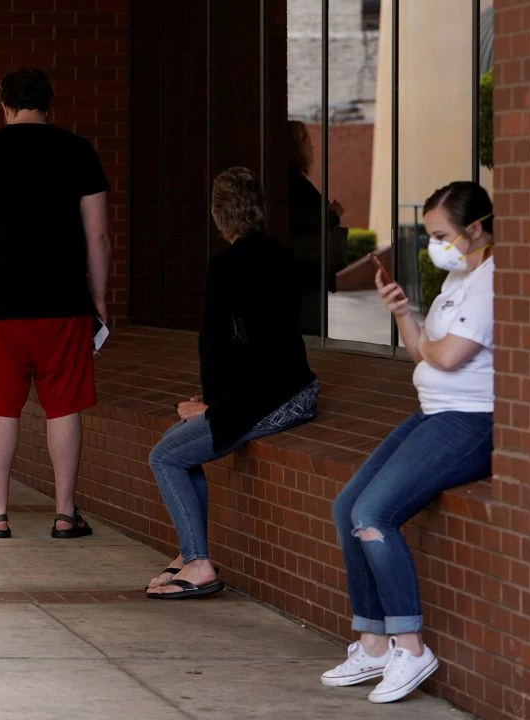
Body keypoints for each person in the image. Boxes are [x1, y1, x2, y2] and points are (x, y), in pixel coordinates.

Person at [321, 182, 494, 704]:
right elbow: (424, 350)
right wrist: (401, 312)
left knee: (373, 514)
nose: (434, 245)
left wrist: (435, 346)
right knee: (347, 506)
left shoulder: (493, 281)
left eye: (441, 235)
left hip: (470, 422)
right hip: (433, 413)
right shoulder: (458, 279)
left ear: (476, 229)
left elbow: (449, 357)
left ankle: (410, 646)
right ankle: (374, 642)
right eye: (430, 235)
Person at [0, 68, 109, 539]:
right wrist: (99, 297)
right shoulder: (78, 151)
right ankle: (65, 514)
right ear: (48, 105)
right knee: (64, 407)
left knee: (0, 407)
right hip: (64, 302)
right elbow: (97, 235)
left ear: (5, 104)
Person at [142, 167, 319, 597]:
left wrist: (213, 406)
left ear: (218, 214)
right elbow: (266, 340)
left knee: (164, 457)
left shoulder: (225, 266)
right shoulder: (282, 256)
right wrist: (216, 400)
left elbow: (214, 345)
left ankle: (198, 563)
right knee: (175, 444)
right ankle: (188, 552)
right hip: (296, 389)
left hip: (265, 399)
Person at [286, 121, 348, 336]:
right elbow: (305, 220)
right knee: (309, 336)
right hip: (304, 273)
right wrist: (333, 214)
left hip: (303, 272)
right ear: (296, 145)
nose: (312, 147)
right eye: (308, 142)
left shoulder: (291, 180)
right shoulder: (293, 182)